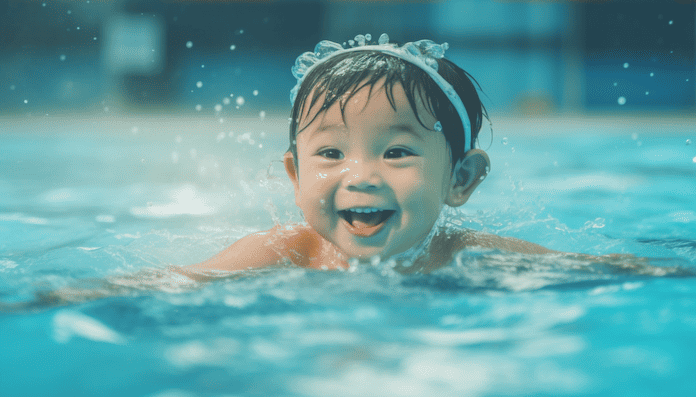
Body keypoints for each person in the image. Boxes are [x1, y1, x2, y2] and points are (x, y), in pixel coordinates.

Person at [184, 33, 554, 275]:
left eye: (396, 152)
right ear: (296, 178)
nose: (361, 176)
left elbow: (600, 273)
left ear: (460, 179)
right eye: (331, 152)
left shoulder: (472, 258)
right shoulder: (282, 254)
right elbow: (160, 288)